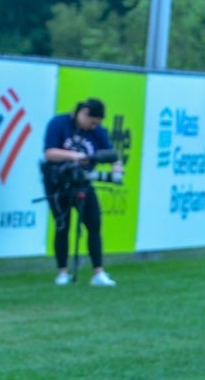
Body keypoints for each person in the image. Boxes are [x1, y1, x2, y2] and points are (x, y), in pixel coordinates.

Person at [42, 97, 118, 287]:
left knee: (93, 224)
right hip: (58, 183)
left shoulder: (97, 131)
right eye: (92, 122)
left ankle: (98, 272)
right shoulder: (58, 123)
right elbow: (49, 152)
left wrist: (116, 166)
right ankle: (62, 273)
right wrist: (76, 156)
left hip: (84, 182)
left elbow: (110, 153)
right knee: (62, 226)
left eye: (97, 124)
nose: (93, 127)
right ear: (83, 113)